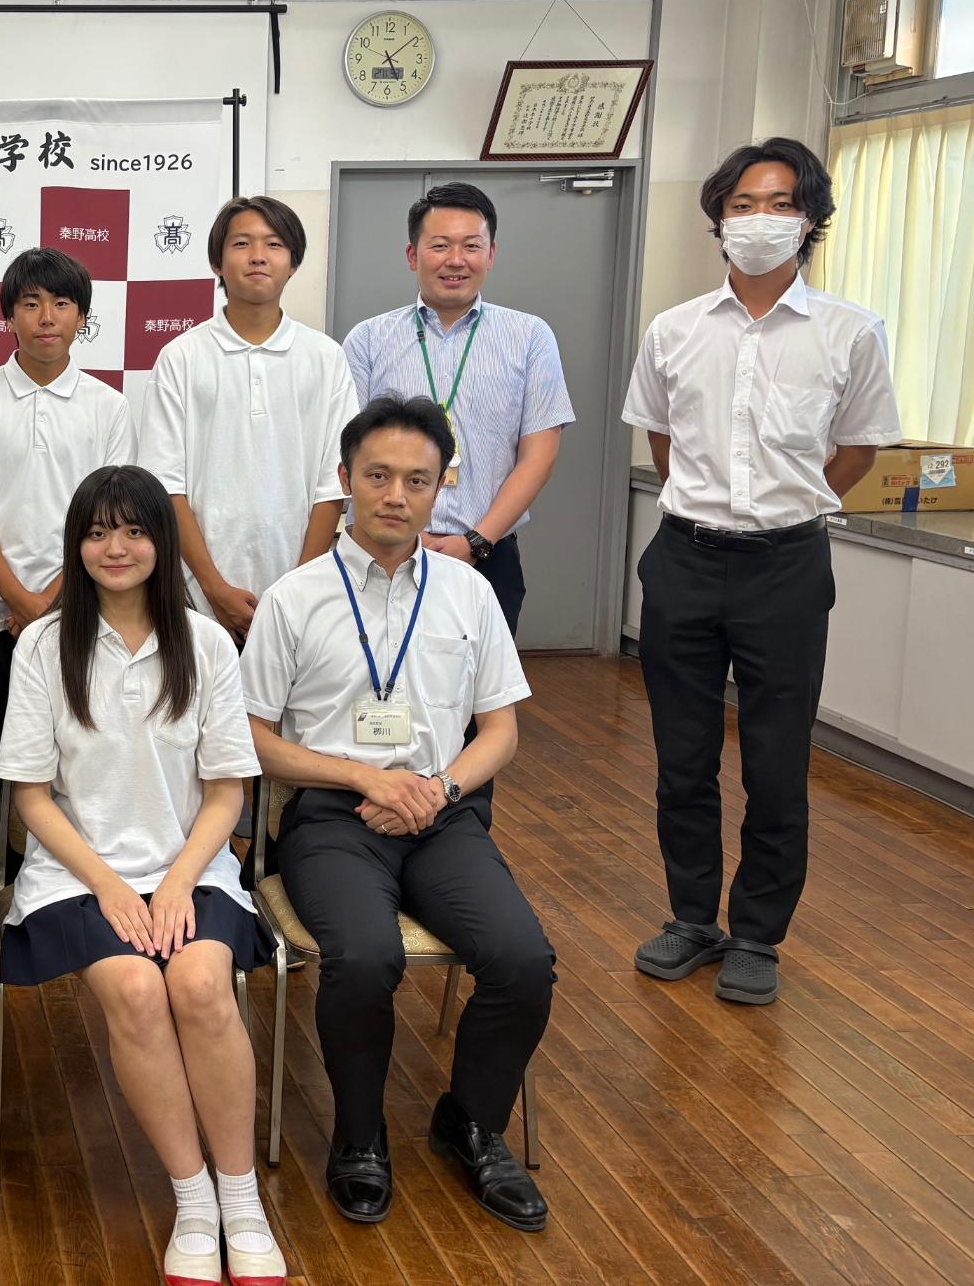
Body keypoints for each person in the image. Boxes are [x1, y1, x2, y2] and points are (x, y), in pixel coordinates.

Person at [241, 395, 552, 1233]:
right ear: (345, 478)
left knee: (523, 959)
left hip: (440, 812)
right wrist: (363, 779)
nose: (395, 495)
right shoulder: (295, 598)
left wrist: (437, 790)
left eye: (417, 480)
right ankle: (359, 1135)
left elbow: (500, 731)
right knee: (363, 956)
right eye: (377, 475)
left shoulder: (468, 593)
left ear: (441, 487)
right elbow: (253, 738)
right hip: (332, 818)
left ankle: (472, 1123)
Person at [623, 137, 902, 1007]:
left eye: (779, 204)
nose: (758, 220)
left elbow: (857, 449)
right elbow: (662, 439)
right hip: (685, 559)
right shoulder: (674, 329)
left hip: (786, 566)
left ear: (809, 220)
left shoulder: (850, 331)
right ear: (718, 219)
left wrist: (786, 508)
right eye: (741, 205)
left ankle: (757, 936)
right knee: (683, 758)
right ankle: (691, 918)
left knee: (777, 764)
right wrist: (710, 509)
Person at [0, 465, 283, 1286]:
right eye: (96, 533)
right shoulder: (43, 645)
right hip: (77, 873)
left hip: (191, 864)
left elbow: (227, 791)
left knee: (200, 986)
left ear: (163, 541)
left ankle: (241, 1200)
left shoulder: (207, 643)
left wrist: (177, 881)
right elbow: (31, 796)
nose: (114, 548)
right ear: (76, 546)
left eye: (132, 530)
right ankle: (192, 1200)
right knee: (133, 989)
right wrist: (112, 887)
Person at [0, 247, 135, 878]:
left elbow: (111, 513)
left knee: (80, 745)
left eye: (62, 303)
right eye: (31, 304)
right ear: (8, 317)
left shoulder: (108, 405)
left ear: (83, 318)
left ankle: (70, 866)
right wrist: (21, 601)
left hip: (85, 609)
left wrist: (52, 602)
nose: (47, 317)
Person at [341, 182, 573, 634]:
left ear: (491, 254)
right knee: (373, 669)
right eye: (439, 245)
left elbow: (539, 456)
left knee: (480, 677)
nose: (455, 260)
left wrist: (477, 541)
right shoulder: (367, 340)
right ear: (413, 255)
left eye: (471, 246)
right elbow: (351, 454)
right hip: (381, 550)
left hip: (488, 555)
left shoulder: (530, 338)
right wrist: (405, 536)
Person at [141, 196, 358, 641]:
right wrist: (213, 587)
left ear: (293, 262)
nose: (258, 256)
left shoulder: (325, 357)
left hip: (300, 595)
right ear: (217, 262)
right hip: (196, 596)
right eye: (242, 243)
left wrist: (297, 591)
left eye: (274, 244)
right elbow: (165, 484)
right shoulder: (181, 357)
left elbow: (333, 484)